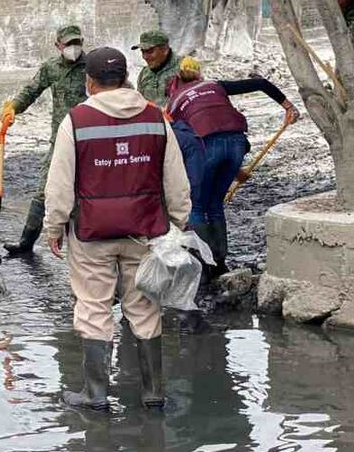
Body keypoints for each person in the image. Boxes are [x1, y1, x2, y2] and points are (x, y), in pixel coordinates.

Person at [44, 47, 191, 411]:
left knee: (93, 306)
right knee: (144, 305)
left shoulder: (75, 121)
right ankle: (153, 393)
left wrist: (54, 225)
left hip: (93, 234)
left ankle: (95, 395)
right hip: (145, 232)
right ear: (126, 78)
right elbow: (176, 179)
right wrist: (177, 223)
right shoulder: (156, 118)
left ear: (89, 82)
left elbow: (60, 183)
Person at [165, 56, 300, 276]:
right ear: (199, 75)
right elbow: (260, 83)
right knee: (215, 204)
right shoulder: (214, 85)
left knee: (197, 207)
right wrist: (288, 106)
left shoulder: (173, 103)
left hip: (206, 146)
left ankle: (206, 266)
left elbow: (184, 147)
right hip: (236, 144)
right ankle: (221, 262)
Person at [0, 24, 88, 255]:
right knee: (45, 189)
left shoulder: (91, 66)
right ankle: (26, 242)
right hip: (60, 140)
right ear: (58, 45)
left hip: (90, 140)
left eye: (77, 43)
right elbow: (32, 90)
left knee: (91, 191)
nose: (73, 48)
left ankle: (91, 243)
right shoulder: (51, 67)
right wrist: (13, 108)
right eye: (68, 44)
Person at [134, 29, 181, 107]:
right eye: (142, 52)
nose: (145, 57)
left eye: (150, 51)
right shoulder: (144, 73)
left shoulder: (184, 69)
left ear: (165, 50)